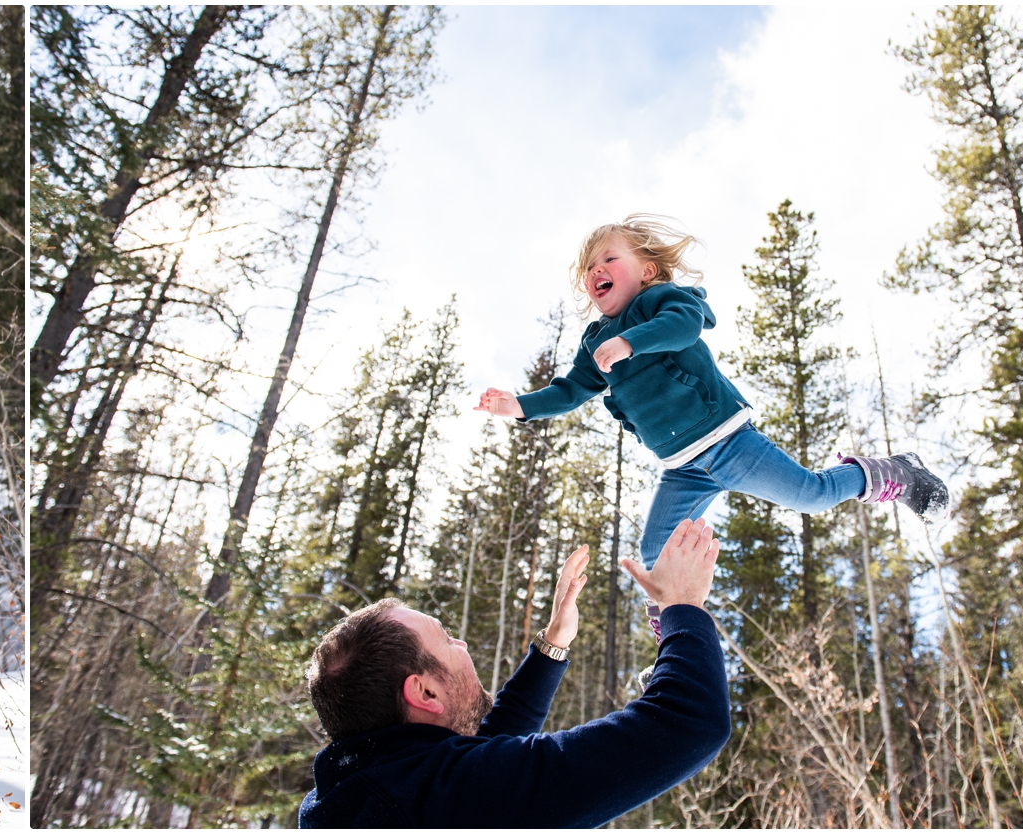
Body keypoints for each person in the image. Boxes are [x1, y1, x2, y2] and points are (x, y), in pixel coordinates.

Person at [476, 214, 948, 639]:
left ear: (647, 270)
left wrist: (630, 343)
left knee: (811, 495)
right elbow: (570, 390)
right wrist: (517, 406)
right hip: (682, 468)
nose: (595, 270)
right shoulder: (595, 340)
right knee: (656, 554)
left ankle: (895, 473)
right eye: (589, 267)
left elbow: (683, 327)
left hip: (729, 442)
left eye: (609, 258)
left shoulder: (662, 302)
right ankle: (674, 652)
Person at [300, 518, 730, 828]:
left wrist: (553, 643)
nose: (462, 644)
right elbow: (688, 723)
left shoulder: (350, 791)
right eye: (448, 640)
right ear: (425, 693)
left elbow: (484, 750)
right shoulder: (443, 801)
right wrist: (683, 605)